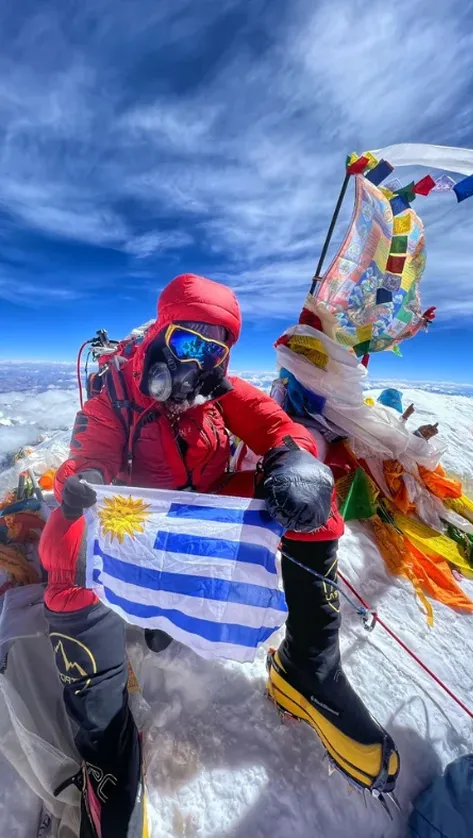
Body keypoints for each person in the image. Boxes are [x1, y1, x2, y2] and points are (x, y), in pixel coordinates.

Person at [40, 274, 399, 837]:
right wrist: (82, 479)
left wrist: (296, 459)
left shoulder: (219, 389)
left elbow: (277, 425)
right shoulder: (116, 393)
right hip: (138, 523)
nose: (198, 362)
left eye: (216, 350)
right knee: (62, 543)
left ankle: (308, 668)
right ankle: (104, 738)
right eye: (188, 342)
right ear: (162, 333)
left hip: (201, 512)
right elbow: (92, 451)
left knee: (311, 503)